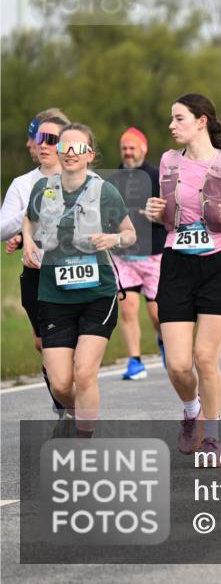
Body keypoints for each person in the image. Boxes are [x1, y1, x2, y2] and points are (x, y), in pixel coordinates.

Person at [141, 94, 221, 462]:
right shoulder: (168, 162)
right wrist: (155, 212)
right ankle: (192, 410)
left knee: (205, 358)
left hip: (216, 266)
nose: (171, 125)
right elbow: (168, 216)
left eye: (179, 118)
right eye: (171, 118)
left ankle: (213, 440)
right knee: (177, 365)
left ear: (201, 121)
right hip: (176, 265)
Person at [22, 123, 136, 436]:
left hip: (97, 294)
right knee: (60, 385)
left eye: (78, 148)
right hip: (54, 294)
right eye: (65, 147)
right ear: (57, 152)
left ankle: (84, 441)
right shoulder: (43, 188)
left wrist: (113, 239)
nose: (70, 153)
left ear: (90, 155)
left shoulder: (105, 191)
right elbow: (29, 219)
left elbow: (130, 233)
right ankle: (83, 414)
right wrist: (28, 241)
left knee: (84, 374)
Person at [2, 110, 71, 415]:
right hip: (37, 275)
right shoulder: (22, 184)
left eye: (51, 139)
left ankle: (77, 407)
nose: (42, 144)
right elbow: (2, 228)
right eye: (40, 138)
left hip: (75, 272)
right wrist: (31, 208)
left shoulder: (80, 179)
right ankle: (63, 406)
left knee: (74, 347)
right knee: (44, 343)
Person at [107, 127, 167, 380]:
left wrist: (155, 215)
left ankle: (164, 340)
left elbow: (169, 211)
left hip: (154, 254)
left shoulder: (157, 176)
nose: (128, 152)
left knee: (157, 314)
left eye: (132, 148)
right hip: (124, 256)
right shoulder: (112, 180)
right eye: (124, 148)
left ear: (143, 149)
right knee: (128, 309)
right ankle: (135, 361)